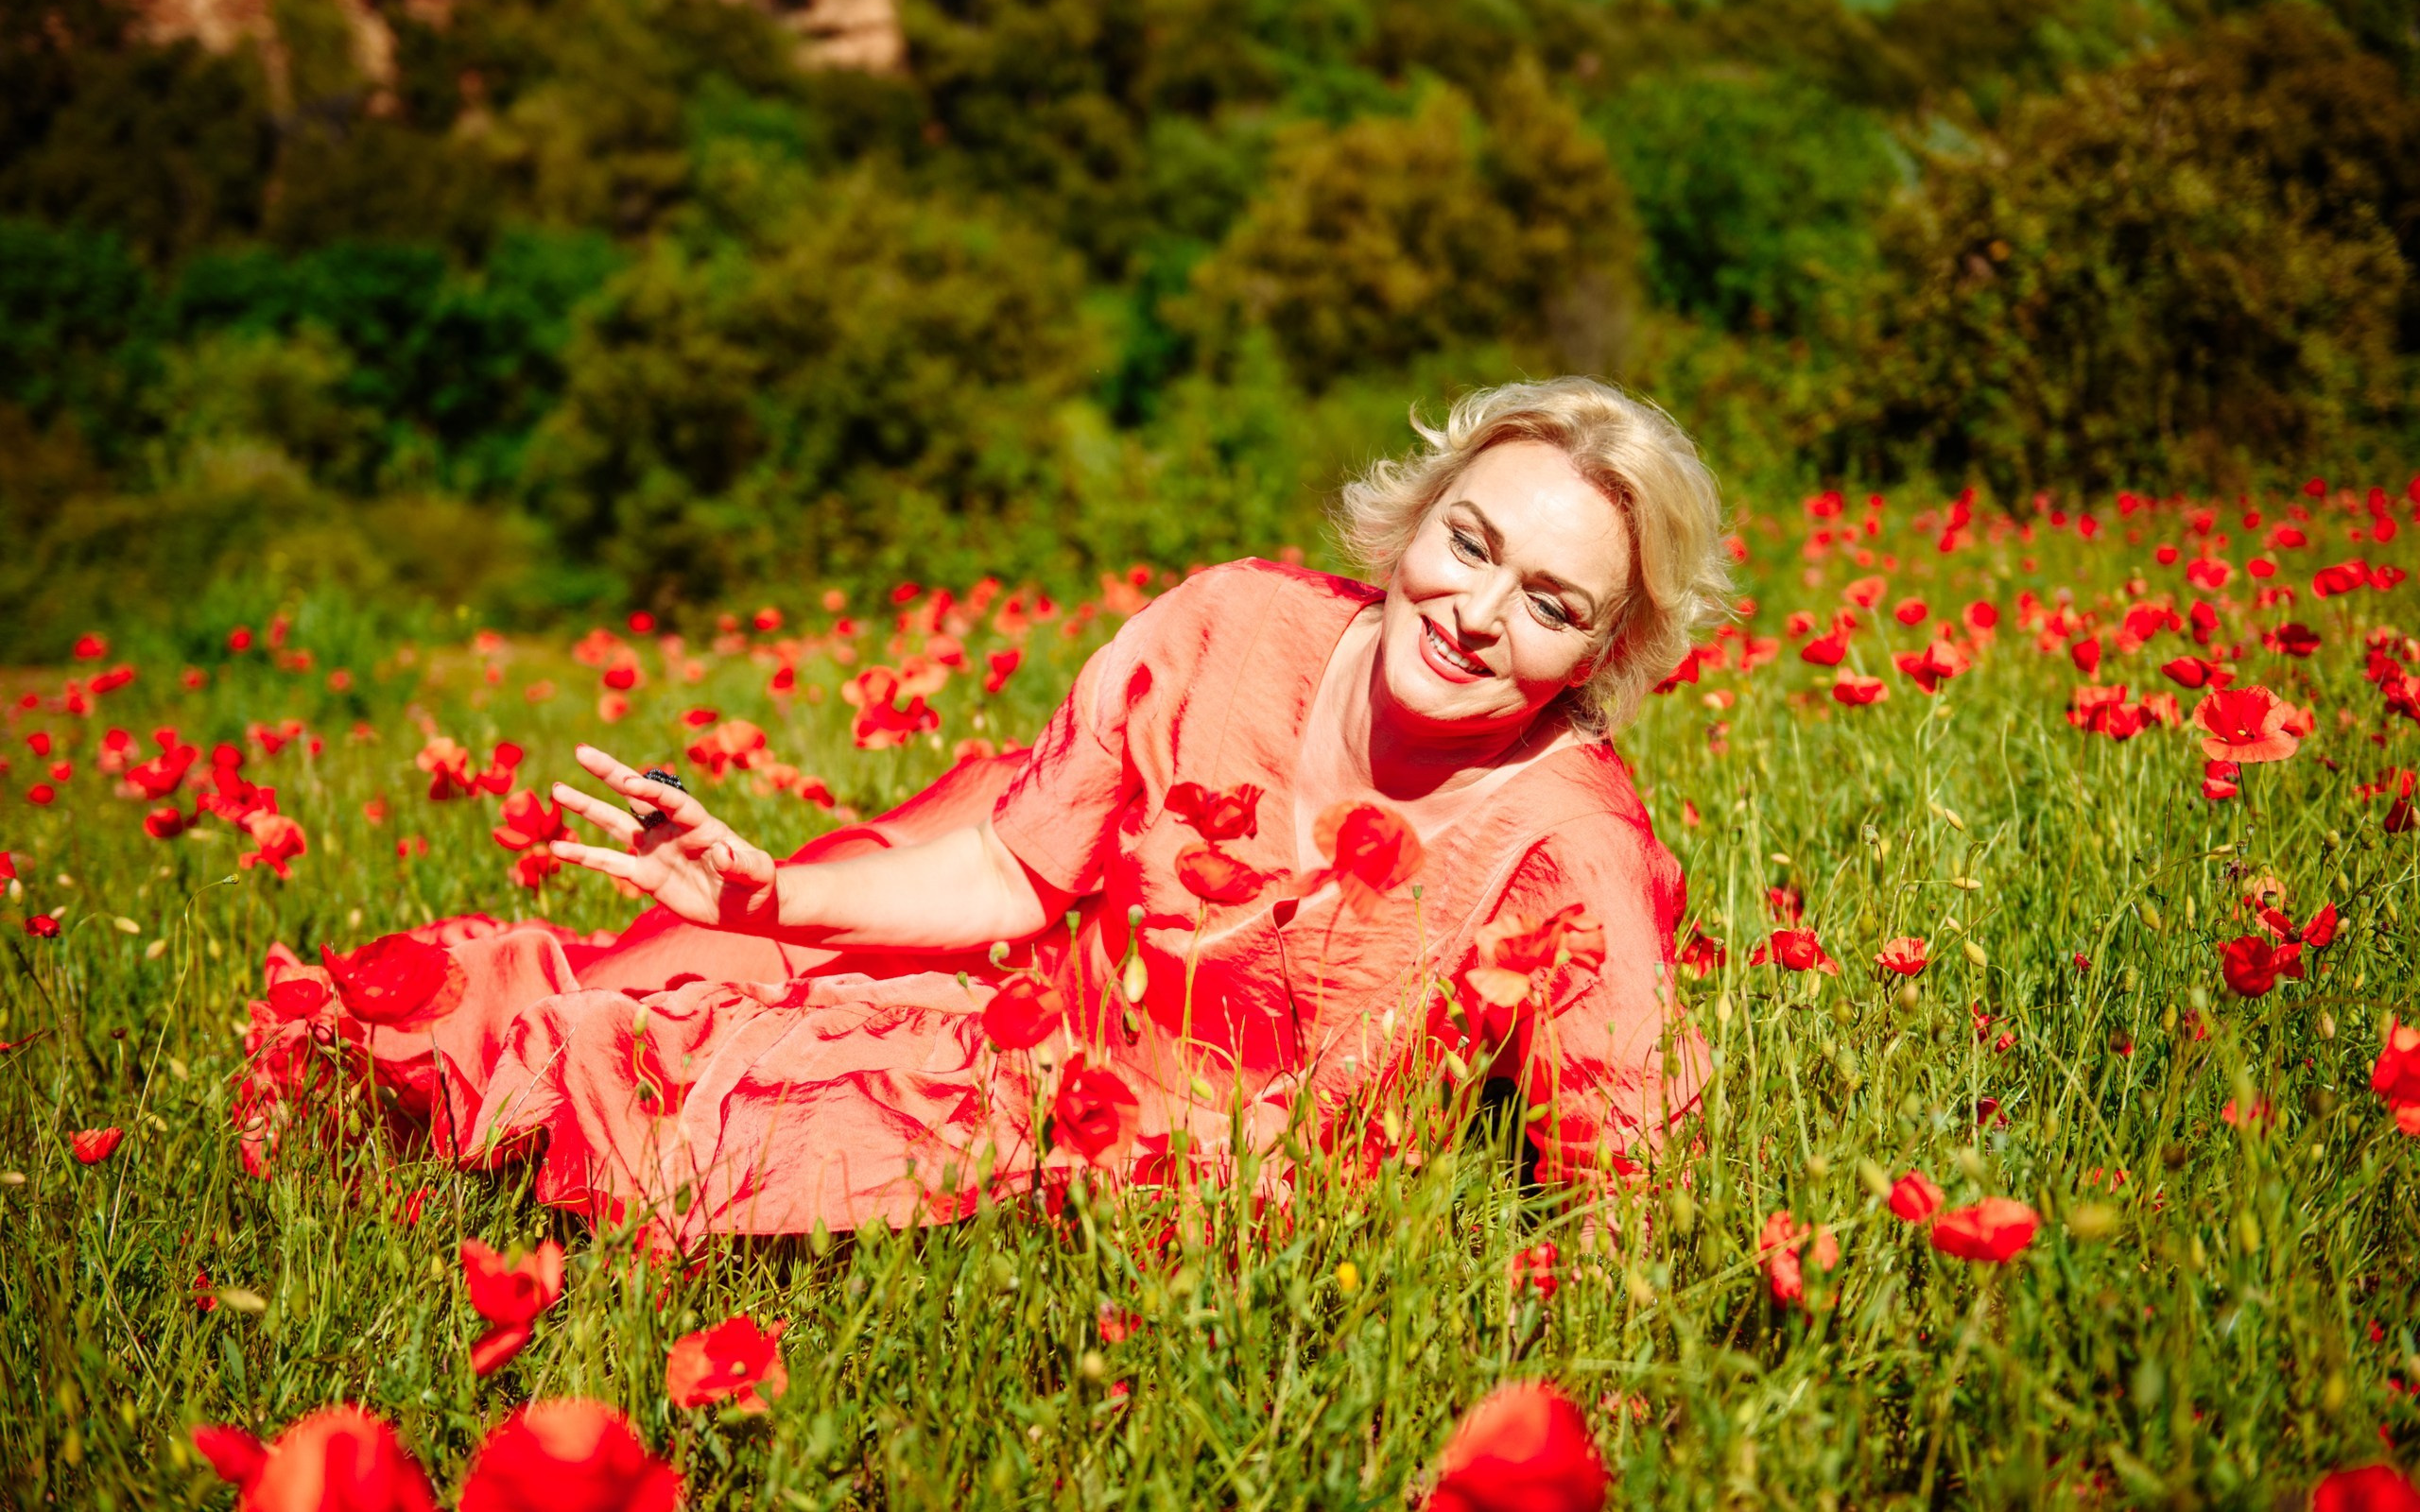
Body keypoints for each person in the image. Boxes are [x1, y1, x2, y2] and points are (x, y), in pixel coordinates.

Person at [243, 377, 1730, 1249]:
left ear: (1600, 655)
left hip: (1185, 1152)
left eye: (1549, 604)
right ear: (1417, 519)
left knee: (755, 1112)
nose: (1476, 613)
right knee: (657, 984)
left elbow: (1621, 1176)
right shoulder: (1233, 626)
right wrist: (769, 902)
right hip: (1041, 981)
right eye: (1467, 543)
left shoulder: (1567, 845)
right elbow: (1021, 866)